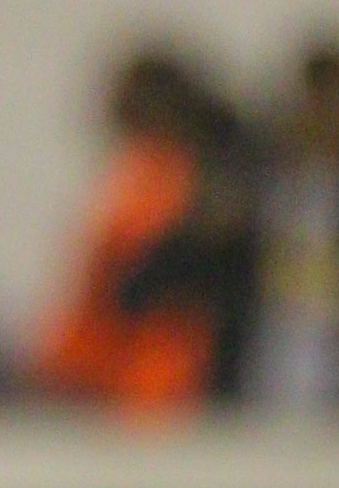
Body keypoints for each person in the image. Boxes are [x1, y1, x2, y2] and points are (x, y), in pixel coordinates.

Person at [125, 38, 339, 410]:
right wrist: (202, 235)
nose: (330, 123)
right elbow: (140, 293)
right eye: (320, 106)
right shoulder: (248, 212)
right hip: (244, 415)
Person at [34, 49, 232, 419]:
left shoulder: (177, 177)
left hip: (150, 369)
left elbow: (137, 278)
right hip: (107, 367)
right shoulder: (139, 171)